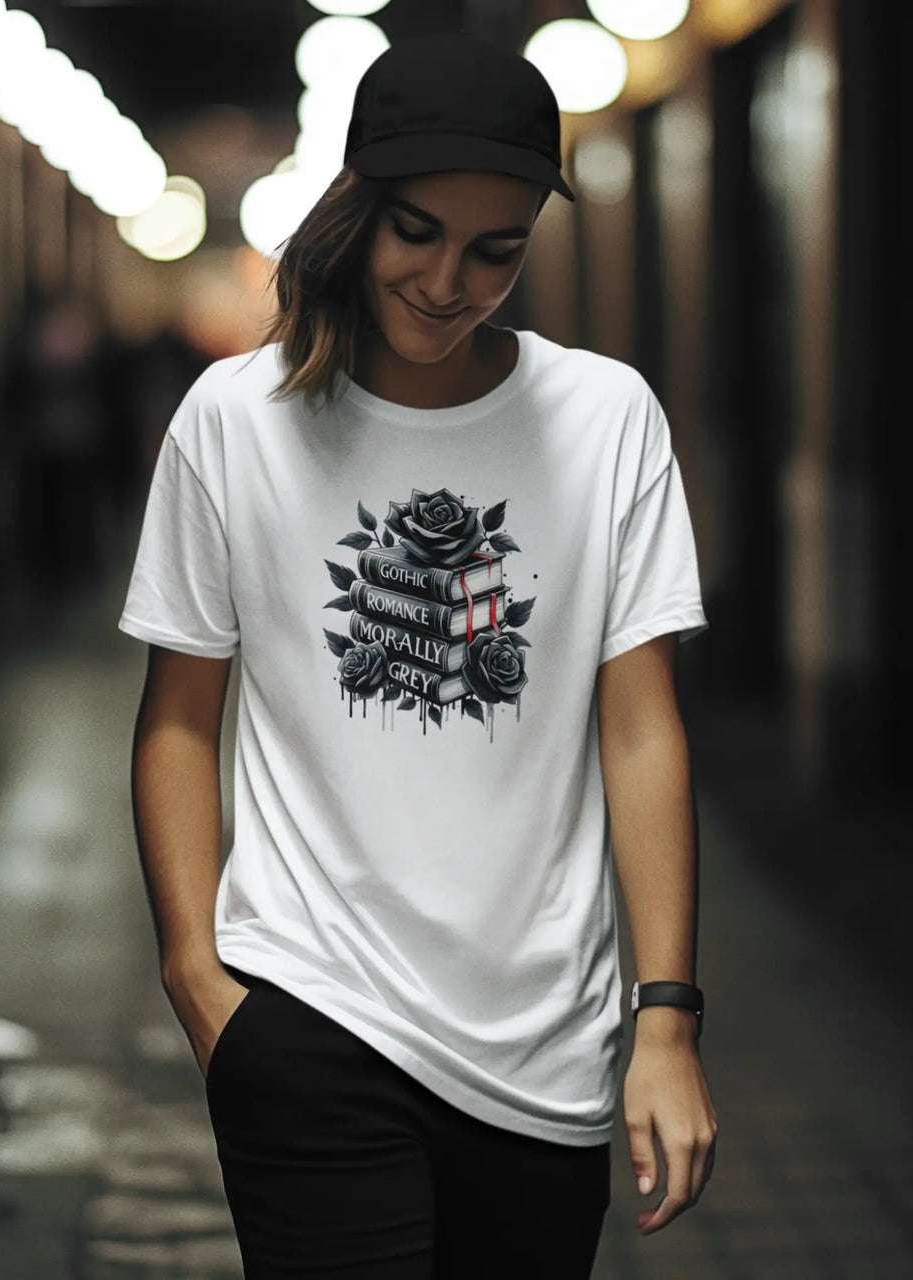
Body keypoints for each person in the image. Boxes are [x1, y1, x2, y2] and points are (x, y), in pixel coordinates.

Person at [119, 29, 717, 1279]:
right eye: (417, 234)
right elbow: (179, 713)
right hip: (307, 1014)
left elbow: (641, 727)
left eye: (494, 249)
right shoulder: (238, 421)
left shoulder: (604, 420)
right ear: (355, 213)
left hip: (543, 1038)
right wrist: (195, 971)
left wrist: (665, 1015)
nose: (450, 279)